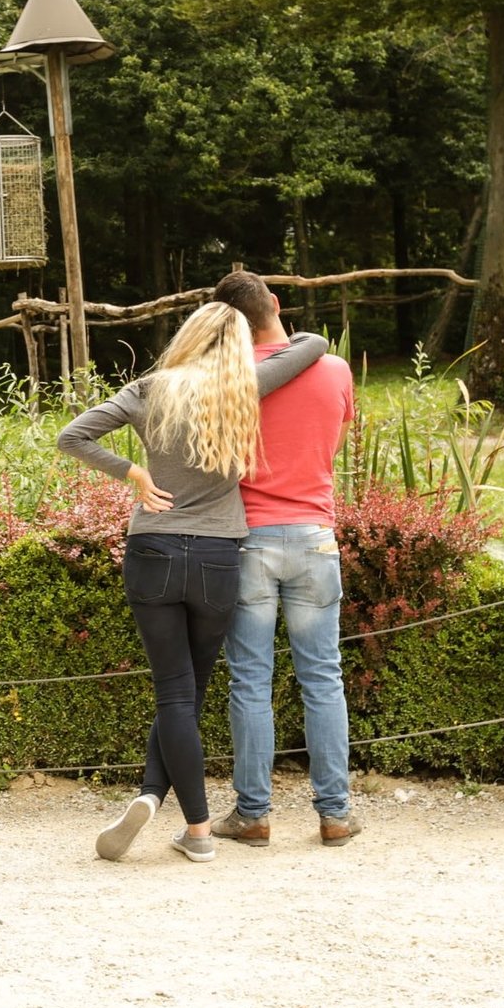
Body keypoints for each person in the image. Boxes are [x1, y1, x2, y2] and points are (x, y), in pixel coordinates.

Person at [57, 303, 327, 862]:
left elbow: (73, 436)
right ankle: (161, 801)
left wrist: (134, 473)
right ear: (237, 343)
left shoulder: (151, 387)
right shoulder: (243, 388)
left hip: (153, 548)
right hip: (219, 558)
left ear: (188, 335)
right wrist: (275, 318)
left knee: (175, 695)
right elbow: (314, 345)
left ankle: (186, 820)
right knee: (189, 694)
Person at [209, 270, 358, 848]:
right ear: (274, 303)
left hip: (248, 541)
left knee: (250, 681)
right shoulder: (337, 370)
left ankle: (253, 814)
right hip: (315, 537)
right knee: (323, 678)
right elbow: (330, 447)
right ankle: (336, 814)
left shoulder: (228, 382)